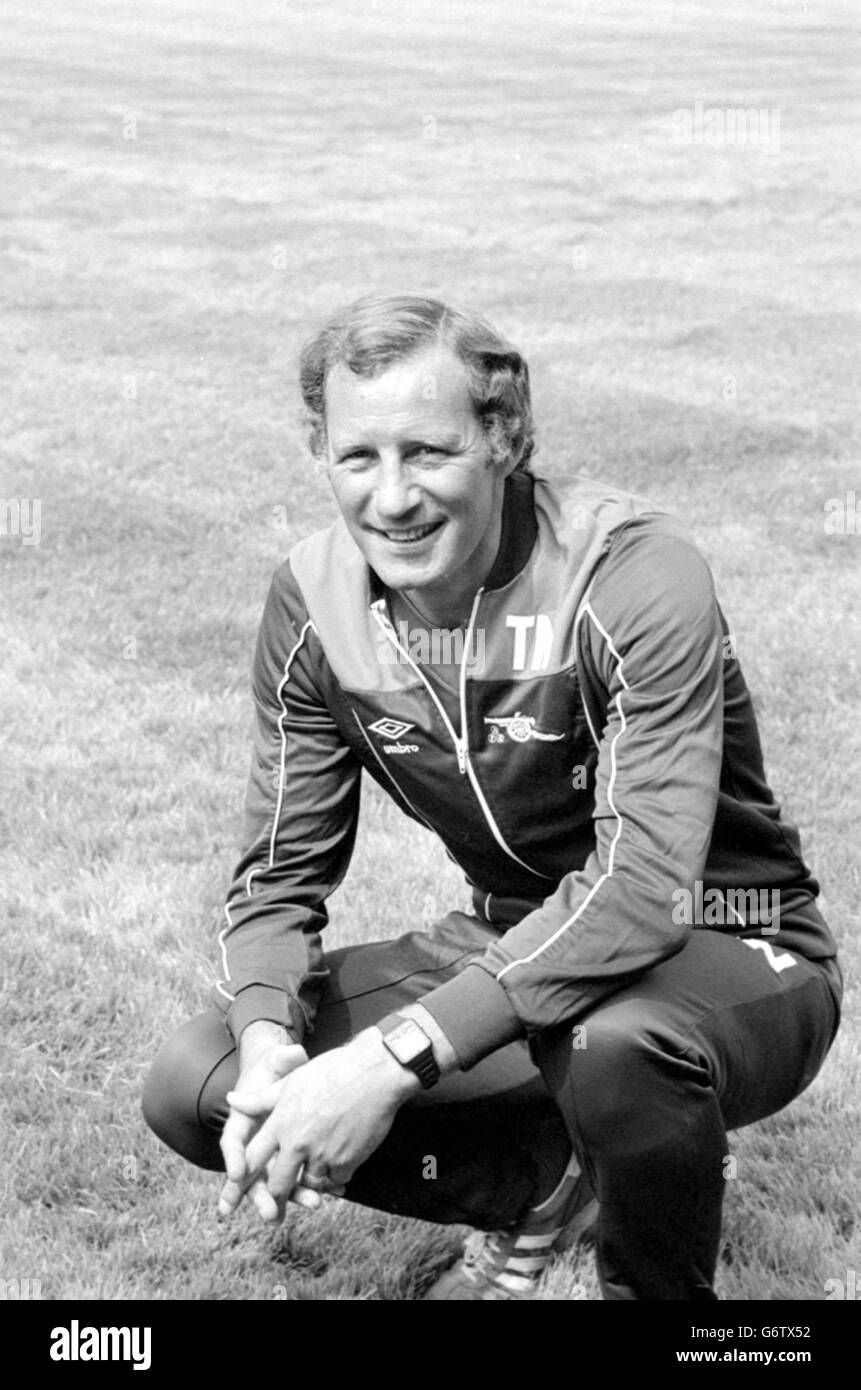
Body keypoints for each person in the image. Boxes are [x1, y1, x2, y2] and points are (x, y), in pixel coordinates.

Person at [142, 293, 842, 1301]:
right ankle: (545, 1183)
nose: (392, 498)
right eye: (357, 458)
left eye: (428, 451)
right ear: (319, 454)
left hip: (727, 944)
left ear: (503, 436)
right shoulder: (313, 600)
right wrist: (268, 1047)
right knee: (192, 1081)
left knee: (617, 1047)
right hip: (512, 940)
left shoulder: (632, 572)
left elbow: (643, 888)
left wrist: (393, 1058)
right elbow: (278, 874)